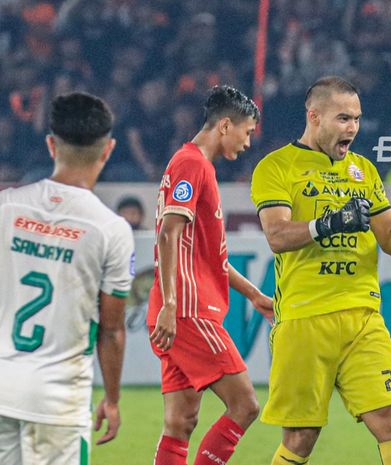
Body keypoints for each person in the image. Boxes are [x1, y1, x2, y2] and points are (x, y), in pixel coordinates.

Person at [251, 76, 391, 465]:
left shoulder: (363, 171)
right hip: (305, 318)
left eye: (356, 119)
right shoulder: (276, 167)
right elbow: (277, 235)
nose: (352, 127)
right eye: (343, 118)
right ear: (314, 116)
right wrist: (329, 223)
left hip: (363, 317)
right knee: (301, 436)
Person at [0, 92, 134, 464]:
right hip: (57, 400)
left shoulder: (7, 207)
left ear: (50, 144)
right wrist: (112, 399)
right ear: (107, 150)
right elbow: (111, 329)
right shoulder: (111, 229)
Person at [147, 85, 274, 465]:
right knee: (245, 405)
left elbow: (209, 256)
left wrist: (252, 293)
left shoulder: (196, 165)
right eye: (247, 132)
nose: (248, 142)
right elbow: (169, 233)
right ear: (224, 125)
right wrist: (172, 305)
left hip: (178, 308)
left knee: (181, 421)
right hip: (187, 310)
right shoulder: (192, 164)